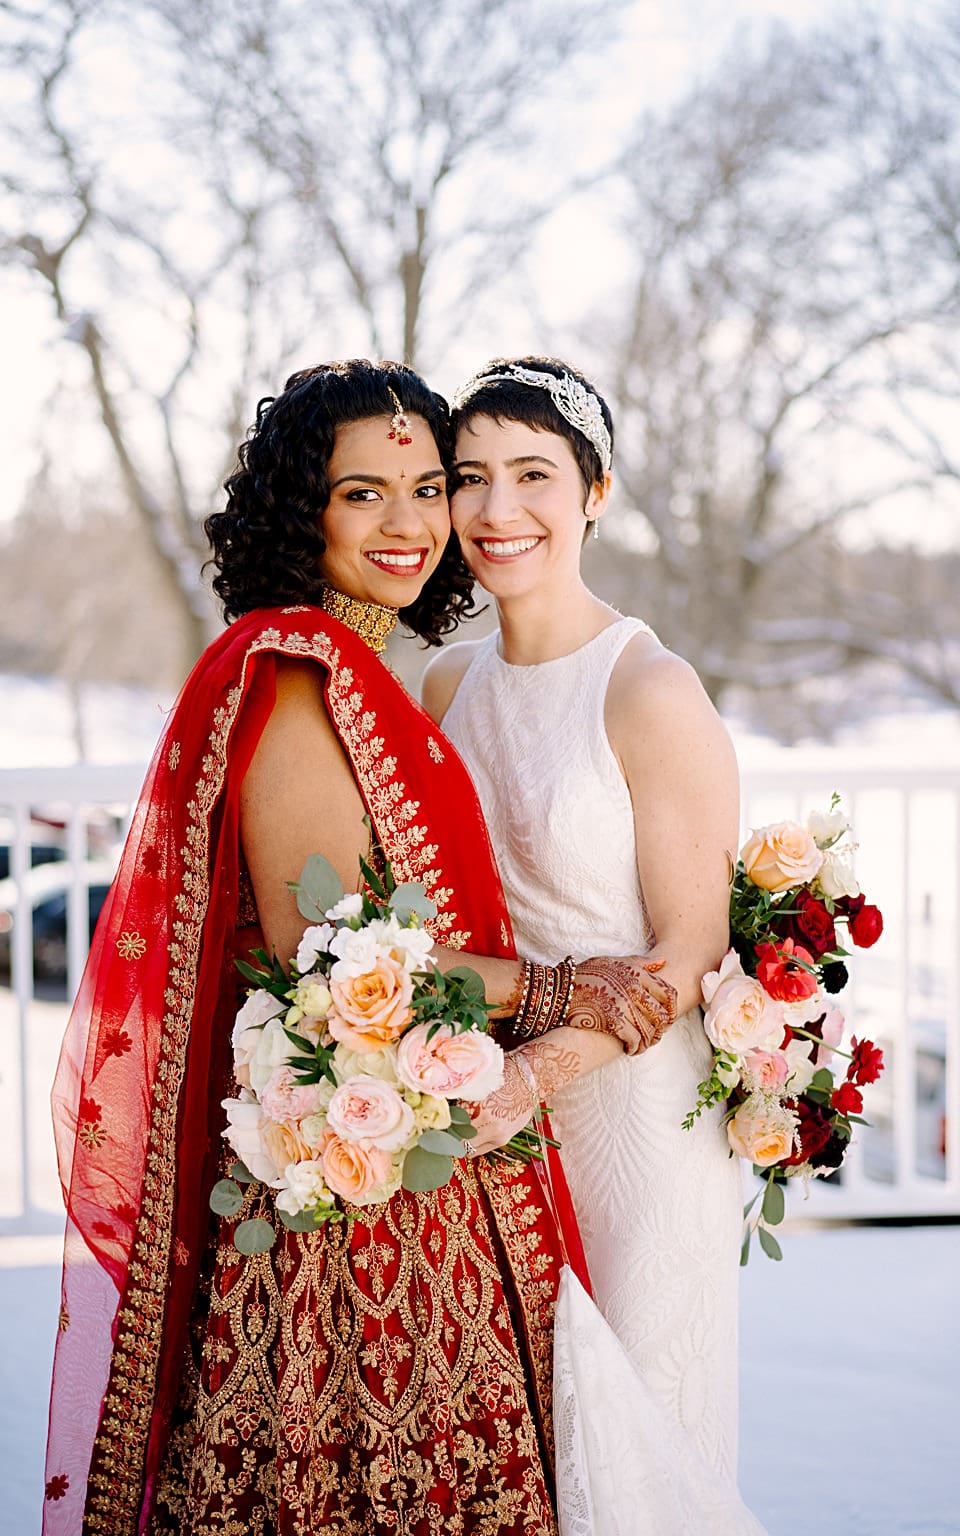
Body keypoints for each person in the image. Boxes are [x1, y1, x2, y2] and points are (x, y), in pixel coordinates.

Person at [42, 360, 680, 1534]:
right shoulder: (293, 673)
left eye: (427, 487)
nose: (408, 524)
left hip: (419, 1145)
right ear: (304, 510)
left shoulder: (375, 668)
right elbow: (332, 967)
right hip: (352, 1190)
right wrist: (561, 988)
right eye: (361, 494)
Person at [429, 356, 761, 1516]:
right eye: (467, 479)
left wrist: (537, 1069)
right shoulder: (440, 685)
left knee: (633, 1442)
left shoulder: (647, 687)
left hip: (634, 1112)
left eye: (530, 475)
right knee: (516, 1441)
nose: (494, 510)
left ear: (594, 492)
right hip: (485, 1106)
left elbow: (685, 952)